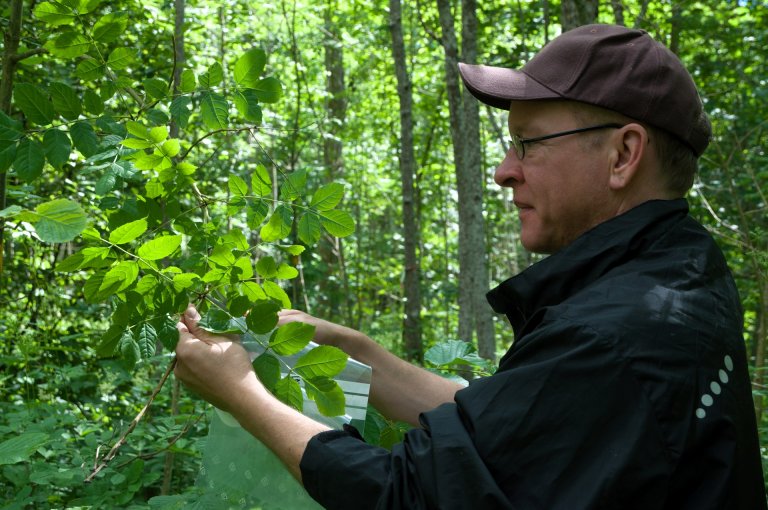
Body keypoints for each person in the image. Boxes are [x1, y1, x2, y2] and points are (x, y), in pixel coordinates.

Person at [174, 24, 766, 509]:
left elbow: (409, 496)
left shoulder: (615, 335)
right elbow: (514, 431)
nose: (506, 170)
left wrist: (240, 392)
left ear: (623, 154)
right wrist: (356, 353)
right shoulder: (677, 273)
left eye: (529, 143)